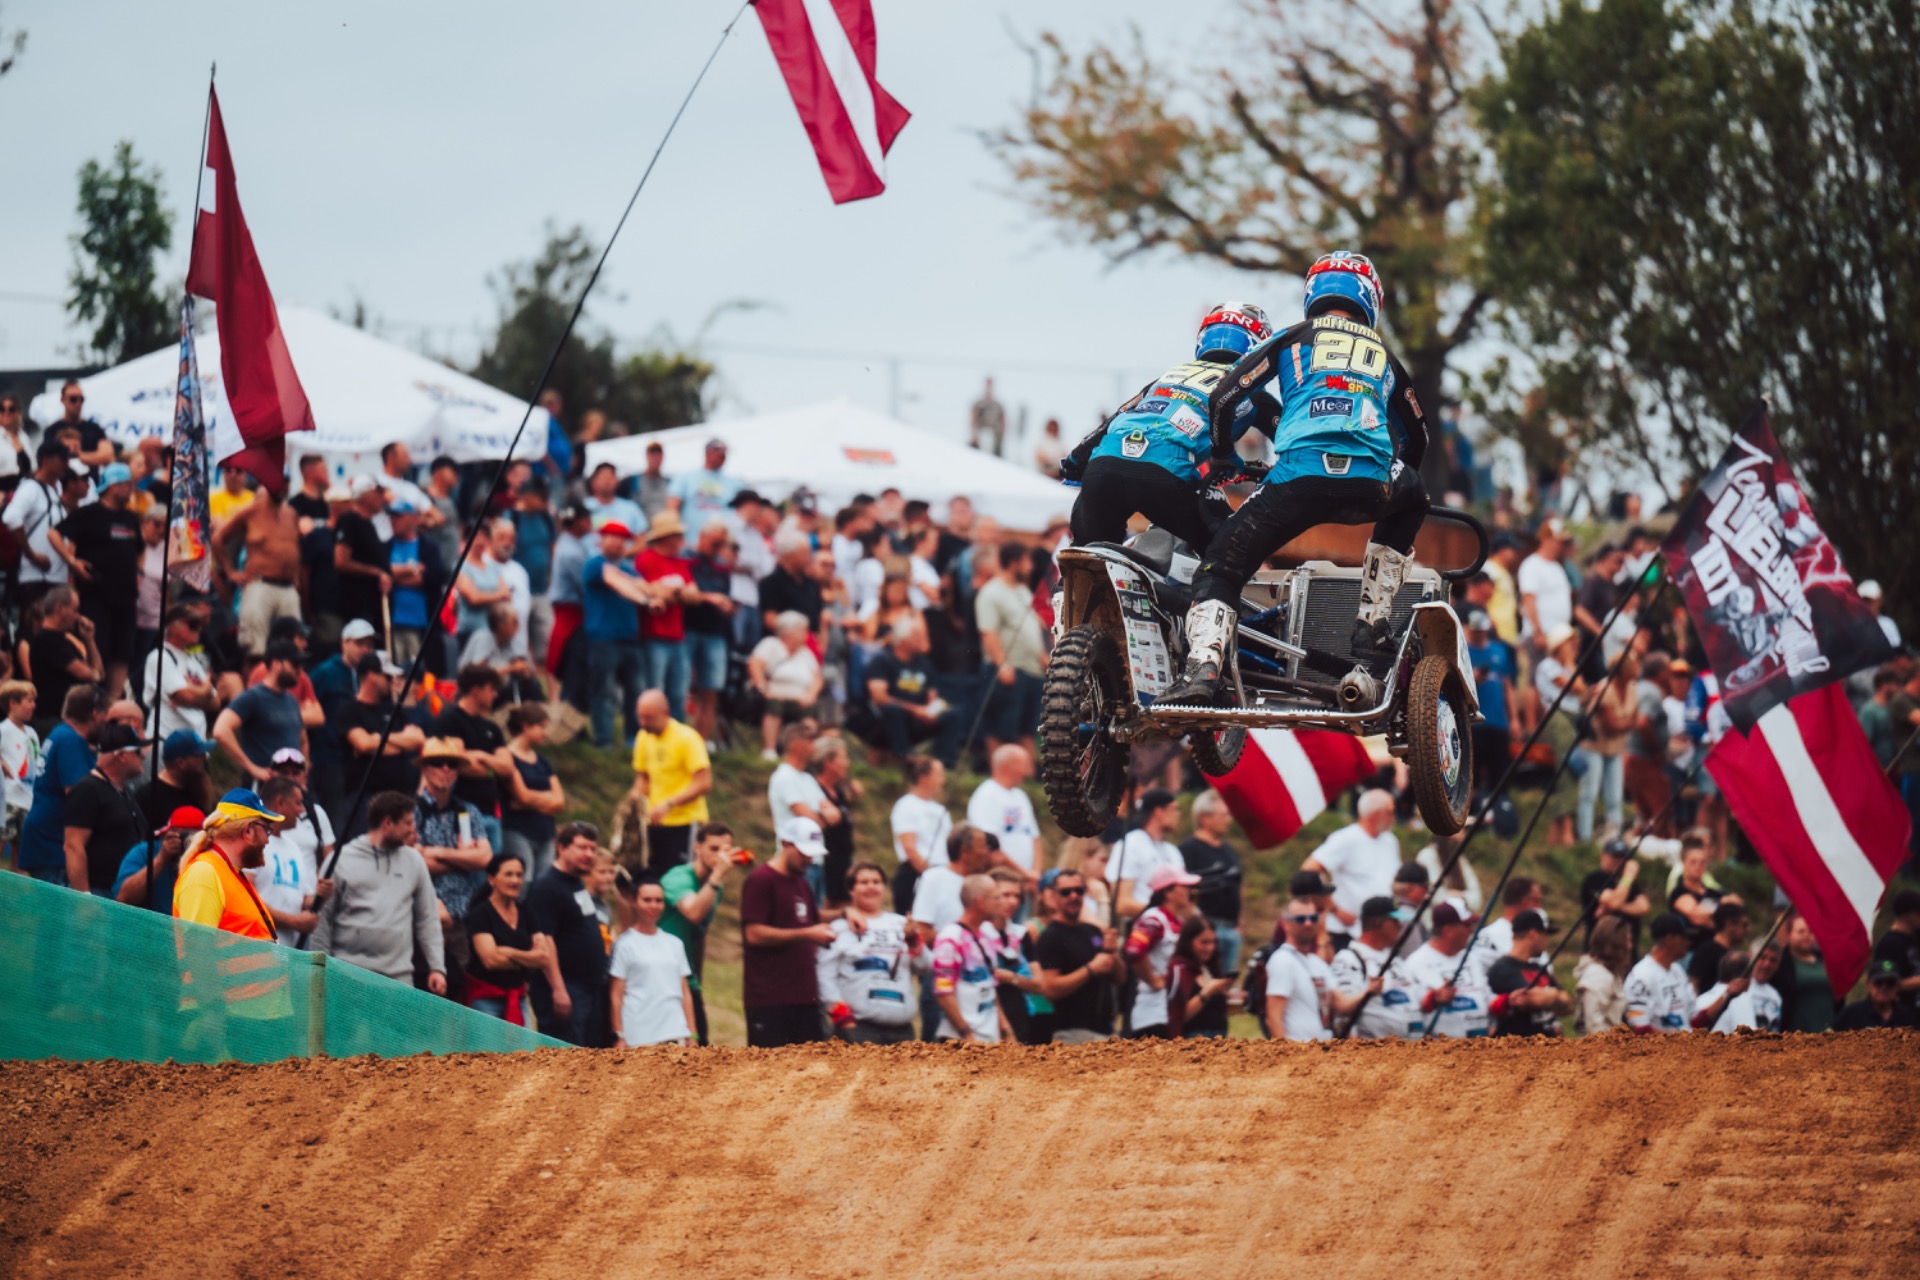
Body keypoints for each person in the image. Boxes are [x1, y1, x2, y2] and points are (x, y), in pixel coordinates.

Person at [1166, 254, 1430, 700]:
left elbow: (1225, 395)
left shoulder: (1293, 336)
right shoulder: (1385, 355)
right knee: (1416, 495)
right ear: (1371, 299)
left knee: (1220, 566)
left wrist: (1224, 454)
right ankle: (1372, 622)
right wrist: (1393, 479)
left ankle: (1202, 670)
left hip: (1296, 479)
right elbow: (1418, 436)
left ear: (1313, 292)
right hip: (1371, 482)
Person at [1058, 303, 1272, 550]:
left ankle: (1081, 567)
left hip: (1103, 465)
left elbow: (1112, 420)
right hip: (1166, 472)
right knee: (1232, 549)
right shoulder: (1252, 389)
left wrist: (1073, 463)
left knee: (1090, 551)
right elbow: (1293, 444)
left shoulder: (1166, 377)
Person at [312, 790, 445, 989]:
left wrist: (437, 967)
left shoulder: (415, 861)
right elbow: (320, 919)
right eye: (408, 823)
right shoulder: (340, 860)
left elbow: (428, 918)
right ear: (388, 823)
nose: (413, 830)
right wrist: (319, 969)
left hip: (398, 981)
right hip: (347, 977)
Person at [48, 460, 142, 697]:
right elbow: (54, 533)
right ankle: (94, 700)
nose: (131, 488)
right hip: (96, 596)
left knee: (123, 653)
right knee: (98, 648)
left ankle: (113, 703)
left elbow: (140, 549)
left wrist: (139, 572)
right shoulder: (88, 514)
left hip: (126, 597)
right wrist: (72, 562)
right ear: (113, 486)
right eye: (127, 483)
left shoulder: (131, 518)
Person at [740, 817, 835, 1047]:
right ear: (785, 844)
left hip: (805, 996)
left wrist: (844, 915)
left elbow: (810, 918)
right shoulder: (761, 880)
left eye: (812, 854)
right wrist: (807, 934)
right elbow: (754, 934)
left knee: (811, 1064)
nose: (808, 860)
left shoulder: (801, 882)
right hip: (770, 999)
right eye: (803, 853)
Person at [413, 736, 494, 1001]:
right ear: (426, 769)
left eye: (452, 764)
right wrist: (462, 857)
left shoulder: (467, 811)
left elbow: (484, 858)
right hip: (423, 916)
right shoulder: (412, 810)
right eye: (438, 762)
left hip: (461, 917)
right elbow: (413, 862)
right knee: (422, 990)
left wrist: (436, 852)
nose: (446, 769)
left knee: (458, 991)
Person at [524, 822, 612, 1046]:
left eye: (593, 849)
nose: (589, 854)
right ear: (561, 848)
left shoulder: (575, 882)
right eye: (582, 847)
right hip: (565, 989)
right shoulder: (547, 885)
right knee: (565, 1057)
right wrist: (559, 990)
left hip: (588, 990)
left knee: (588, 1057)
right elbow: (545, 940)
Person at [817, 860, 924, 1044]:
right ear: (851, 890)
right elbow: (824, 974)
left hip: (902, 1028)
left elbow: (925, 966)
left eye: (876, 882)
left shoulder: (902, 924)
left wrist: (913, 940)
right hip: (859, 1027)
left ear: (884, 887)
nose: (871, 887)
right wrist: (841, 1016)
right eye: (864, 882)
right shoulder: (839, 928)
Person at [172, 789, 287, 950]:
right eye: (267, 829)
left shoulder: (231, 873)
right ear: (248, 830)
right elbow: (197, 957)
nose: (267, 841)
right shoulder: (204, 873)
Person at [661, 824, 740, 1046]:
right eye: (714, 849)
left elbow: (700, 932)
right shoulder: (678, 877)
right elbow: (694, 913)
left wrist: (697, 976)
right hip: (662, 976)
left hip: (688, 978)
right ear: (697, 847)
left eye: (726, 850)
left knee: (700, 1047)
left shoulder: (715, 887)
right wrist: (716, 877)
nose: (720, 856)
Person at [16, 684, 103, 886]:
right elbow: (78, 794)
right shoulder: (71, 740)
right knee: (55, 906)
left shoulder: (61, 733)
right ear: (94, 714)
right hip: (52, 842)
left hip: (44, 835)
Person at [212, 480, 304, 660]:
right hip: (260, 584)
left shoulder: (291, 514)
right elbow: (217, 539)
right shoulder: (251, 512)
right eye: (279, 482)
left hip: (287, 587)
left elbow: (294, 546)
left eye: (286, 482)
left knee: (292, 648)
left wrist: (295, 573)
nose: (282, 486)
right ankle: (254, 677)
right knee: (254, 648)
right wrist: (231, 572)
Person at [1300, 789, 1401, 947]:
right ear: (1375, 814)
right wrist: (1334, 909)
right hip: (1346, 932)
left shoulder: (1390, 841)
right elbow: (1309, 869)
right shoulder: (1347, 838)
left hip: (1379, 933)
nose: (1394, 818)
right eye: (1390, 812)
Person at [60, 720, 149, 896]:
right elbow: (73, 846)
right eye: (138, 752)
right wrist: (84, 897)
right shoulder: (87, 790)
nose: (143, 757)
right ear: (121, 755)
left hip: (120, 893)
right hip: (99, 892)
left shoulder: (124, 790)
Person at [629, 688, 711, 878]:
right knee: (653, 879)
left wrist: (670, 803)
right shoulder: (643, 736)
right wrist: (635, 797)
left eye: (648, 718)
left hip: (684, 822)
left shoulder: (687, 738)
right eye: (640, 717)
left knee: (678, 880)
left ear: (665, 713)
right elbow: (643, 777)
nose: (643, 723)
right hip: (654, 822)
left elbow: (704, 783)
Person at [609, 875, 697, 1047]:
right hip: (639, 1037)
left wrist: (692, 1033)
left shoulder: (675, 944)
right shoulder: (624, 944)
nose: (653, 906)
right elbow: (616, 994)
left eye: (658, 900)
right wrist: (619, 1035)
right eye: (647, 900)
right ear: (634, 902)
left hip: (676, 1033)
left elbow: (685, 992)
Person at [431, 664, 513, 848]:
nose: (495, 694)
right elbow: (461, 764)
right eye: (492, 689)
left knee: (494, 864)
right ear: (476, 690)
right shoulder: (451, 719)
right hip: (462, 810)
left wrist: (481, 756)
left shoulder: (491, 728)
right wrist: (493, 769)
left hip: (490, 812)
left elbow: (508, 768)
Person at [975, 543, 1047, 753]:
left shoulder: (1023, 590)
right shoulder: (991, 593)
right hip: (1010, 671)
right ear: (1014, 563)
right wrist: (1002, 665)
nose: (1031, 567)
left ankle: (1025, 771)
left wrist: (1042, 655)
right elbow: (988, 632)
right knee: (1001, 729)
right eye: (1027, 561)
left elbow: (1031, 627)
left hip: (1032, 670)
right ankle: (999, 768)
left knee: (1027, 729)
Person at [1034, 869, 1119, 1043]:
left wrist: (1112, 953)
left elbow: (1120, 978)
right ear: (1054, 896)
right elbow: (1050, 989)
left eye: (1079, 891)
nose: (1073, 896)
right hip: (1072, 1032)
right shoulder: (1051, 936)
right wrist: (1091, 969)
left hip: (1106, 1030)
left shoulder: (1093, 931)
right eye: (1066, 892)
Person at [245, 775, 332, 940]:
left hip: (287, 951)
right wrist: (294, 922)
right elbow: (246, 898)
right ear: (280, 803)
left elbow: (304, 899)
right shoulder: (252, 841)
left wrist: (321, 895)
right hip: (256, 947)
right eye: (298, 803)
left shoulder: (293, 847)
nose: (302, 810)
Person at [463, 852, 546, 1023]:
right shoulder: (480, 914)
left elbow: (543, 957)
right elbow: (491, 960)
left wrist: (509, 952)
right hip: (486, 999)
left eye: (519, 875)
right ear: (491, 879)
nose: (515, 880)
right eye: (509, 874)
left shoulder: (527, 913)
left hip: (518, 998)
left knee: (526, 1042)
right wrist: (526, 960)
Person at [634, 512, 699, 724]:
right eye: (678, 535)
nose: (682, 540)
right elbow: (649, 592)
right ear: (666, 537)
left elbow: (694, 596)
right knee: (655, 690)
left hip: (677, 636)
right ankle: (651, 731)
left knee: (678, 693)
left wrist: (670, 593)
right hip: (653, 634)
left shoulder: (681, 563)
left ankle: (675, 733)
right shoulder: (646, 559)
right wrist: (678, 593)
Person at [1123, 864, 1202, 1038]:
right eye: (1184, 886)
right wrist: (1152, 980)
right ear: (1168, 892)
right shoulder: (1154, 918)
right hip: (1153, 1014)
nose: (1190, 891)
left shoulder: (1176, 920)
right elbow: (1133, 951)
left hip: (1172, 1011)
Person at [931, 873, 1012, 1043]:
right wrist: (966, 1033)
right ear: (980, 902)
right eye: (996, 898)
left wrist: (1006, 1030)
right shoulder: (951, 937)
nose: (1000, 903)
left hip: (989, 1036)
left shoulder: (988, 934)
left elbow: (990, 986)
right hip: (962, 1038)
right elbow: (943, 991)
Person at [212, 641, 307, 783]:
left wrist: (303, 774)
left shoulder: (292, 701)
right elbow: (220, 730)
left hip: (290, 785)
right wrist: (252, 768)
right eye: (295, 664)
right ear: (276, 664)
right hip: (264, 785)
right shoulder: (253, 697)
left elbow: (303, 741)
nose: (299, 670)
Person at [1328, 897, 1421, 1040]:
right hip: (1376, 1049)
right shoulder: (1348, 959)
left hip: (1413, 1048)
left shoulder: (1395, 959)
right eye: (1395, 921)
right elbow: (1342, 1013)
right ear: (1378, 922)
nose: (1400, 926)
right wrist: (1368, 992)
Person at [864, 617, 953, 764]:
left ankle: (944, 762)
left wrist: (932, 708)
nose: (922, 639)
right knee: (894, 711)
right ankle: (905, 759)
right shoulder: (882, 661)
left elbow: (932, 692)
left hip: (921, 718)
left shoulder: (924, 663)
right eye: (917, 635)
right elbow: (879, 698)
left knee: (953, 715)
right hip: (891, 720)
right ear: (903, 639)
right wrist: (915, 710)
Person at [4, 442, 75, 615]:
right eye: (63, 459)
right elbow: (11, 517)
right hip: (36, 578)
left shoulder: (55, 489)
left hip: (55, 578)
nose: (67, 464)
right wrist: (32, 555)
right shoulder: (31, 488)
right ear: (46, 461)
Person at [1403, 900, 1491, 1038]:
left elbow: (1486, 996)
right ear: (1448, 930)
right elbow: (1408, 1009)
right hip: (1440, 1047)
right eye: (1466, 925)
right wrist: (1433, 998)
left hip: (1480, 1045)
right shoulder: (1415, 963)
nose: (1471, 930)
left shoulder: (1471, 958)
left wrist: (1509, 1001)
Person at [500, 705, 564, 889]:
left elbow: (559, 802)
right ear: (526, 726)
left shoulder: (543, 761)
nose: (545, 733)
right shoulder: (507, 757)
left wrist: (529, 801)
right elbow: (523, 797)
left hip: (545, 833)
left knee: (545, 885)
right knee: (522, 884)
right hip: (517, 831)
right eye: (542, 727)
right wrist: (547, 798)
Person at [25, 588, 102, 738]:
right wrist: (94, 674)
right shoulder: (45, 640)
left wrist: (89, 640)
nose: (78, 616)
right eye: (75, 610)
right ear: (60, 608)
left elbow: (99, 673)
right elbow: (88, 674)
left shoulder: (65, 640)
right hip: (53, 720)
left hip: (70, 719)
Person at [966, 744, 1043, 888]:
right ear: (1008, 766)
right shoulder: (986, 794)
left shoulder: (1021, 795)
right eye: (1024, 766)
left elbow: (1035, 837)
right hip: (999, 880)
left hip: (1026, 881)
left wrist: (1035, 873)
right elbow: (989, 844)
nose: (1028, 772)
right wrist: (1025, 874)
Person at [1486, 909, 1571, 1036]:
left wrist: (1549, 996)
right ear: (1533, 934)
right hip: (1521, 1045)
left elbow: (1568, 1004)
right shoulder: (1503, 969)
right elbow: (1531, 999)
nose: (1546, 941)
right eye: (1545, 935)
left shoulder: (1538, 967)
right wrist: (1556, 994)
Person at [749, 611, 823, 758]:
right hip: (774, 694)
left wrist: (810, 695)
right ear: (788, 631)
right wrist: (763, 688)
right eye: (801, 630)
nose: (806, 634)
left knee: (809, 713)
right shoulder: (770, 644)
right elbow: (755, 665)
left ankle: (807, 753)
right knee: (774, 705)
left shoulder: (806, 653)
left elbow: (818, 678)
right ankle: (769, 750)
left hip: (800, 698)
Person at [144, 606, 219, 743]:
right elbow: (185, 697)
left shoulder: (193, 660)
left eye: (200, 625)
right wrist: (205, 690)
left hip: (196, 742)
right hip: (165, 741)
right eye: (193, 625)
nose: (199, 629)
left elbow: (216, 703)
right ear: (173, 627)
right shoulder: (159, 657)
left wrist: (194, 693)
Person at [1263, 897, 1335, 1041]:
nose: (1308, 923)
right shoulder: (1283, 960)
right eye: (1300, 919)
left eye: (1313, 918)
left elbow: (1340, 1003)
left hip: (1323, 1049)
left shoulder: (1316, 962)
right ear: (1285, 924)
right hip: (1298, 1049)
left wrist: (1368, 991)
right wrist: (1288, 1052)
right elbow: (1273, 1018)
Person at [1108, 788, 1186, 920]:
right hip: (1141, 927)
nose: (1179, 814)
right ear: (1159, 812)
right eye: (1174, 809)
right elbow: (1121, 904)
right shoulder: (1131, 845)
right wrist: (1164, 913)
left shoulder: (1172, 851)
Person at [889, 755, 951, 919]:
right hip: (916, 874)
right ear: (923, 778)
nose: (943, 780)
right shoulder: (906, 805)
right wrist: (930, 876)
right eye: (939, 775)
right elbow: (910, 848)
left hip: (941, 872)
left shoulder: (940, 809)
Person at [332, 476, 392, 647]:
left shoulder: (370, 525)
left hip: (373, 605)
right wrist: (377, 573)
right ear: (365, 495)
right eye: (377, 492)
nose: (382, 497)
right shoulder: (350, 520)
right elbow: (341, 561)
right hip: (357, 605)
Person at [113, 804, 203, 911]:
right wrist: (161, 859)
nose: (185, 843)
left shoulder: (204, 860)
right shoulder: (146, 852)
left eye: (190, 838)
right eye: (179, 835)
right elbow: (122, 898)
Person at [1624, 912, 1695, 1033]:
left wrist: (1726, 993)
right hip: (1662, 1045)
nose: (1688, 943)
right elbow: (1639, 1027)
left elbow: (1695, 1018)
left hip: (1688, 1041)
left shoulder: (1678, 971)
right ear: (1670, 939)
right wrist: (1679, 1041)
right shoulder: (1641, 976)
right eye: (1684, 937)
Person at [1165, 915, 1234, 1039]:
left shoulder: (1208, 967)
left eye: (1213, 942)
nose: (1210, 948)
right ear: (1188, 941)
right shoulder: (1180, 969)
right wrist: (1207, 992)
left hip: (1218, 1038)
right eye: (1204, 942)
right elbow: (1178, 1015)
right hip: (1193, 1041)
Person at [1579, 838, 1652, 953]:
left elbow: (1643, 907)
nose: (1619, 861)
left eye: (1622, 857)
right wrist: (1628, 876)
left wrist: (1616, 906)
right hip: (1600, 950)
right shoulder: (1594, 879)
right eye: (1614, 856)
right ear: (1603, 856)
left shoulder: (1629, 884)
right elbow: (1614, 902)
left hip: (1627, 950)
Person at [1, 680, 42, 867]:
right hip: (7, 799)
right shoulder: (4, 730)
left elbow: (37, 761)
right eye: (29, 701)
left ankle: (16, 884)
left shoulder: (32, 733)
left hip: (27, 800)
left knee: (21, 853)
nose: (33, 706)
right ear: (13, 703)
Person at [1518, 517, 1574, 653]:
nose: (1561, 546)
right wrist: (1538, 632)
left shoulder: (1557, 567)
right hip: (1542, 636)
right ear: (1545, 539)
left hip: (1558, 637)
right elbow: (1529, 600)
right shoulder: (1532, 564)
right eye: (1558, 541)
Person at [1698, 943, 1782, 1032]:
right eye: (1762, 957)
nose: (1766, 964)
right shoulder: (1741, 996)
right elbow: (1749, 1035)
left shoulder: (1700, 999)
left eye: (1773, 960)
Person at [1774, 914, 1836, 1033]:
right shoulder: (1780, 964)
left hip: (1829, 1032)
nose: (1806, 935)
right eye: (1801, 931)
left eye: (1811, 931)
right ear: (1789, 935)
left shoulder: (1827, 961)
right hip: (1796, 1035)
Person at [1574, 914, 1634, 1034]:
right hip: (1600, 1044)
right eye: (1627, 940)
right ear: (1617, 944)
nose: (1630, 946)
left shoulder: (1611, 974)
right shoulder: (1598, 975)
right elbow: (1593, 1024)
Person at [666, 438, 743, 529]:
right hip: (692, 536)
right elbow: (672, 508)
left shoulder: (735, 483)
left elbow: (747, 510)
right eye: (719, 452)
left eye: (724, 453)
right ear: (707, 453)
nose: (722, 456)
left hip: (726, 536)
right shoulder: (685, 477)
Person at [1870, 889, 1920, 1014]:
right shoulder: (1891, 943)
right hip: (1901, 1013)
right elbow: (1885, 982)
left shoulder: (1914, 939)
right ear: (1906, 915)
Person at [1687, 900, 1750, 995]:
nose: (1747, 930)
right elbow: (1692, 985)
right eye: (1744, 925)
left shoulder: (1733, 953)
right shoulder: (1706, 951)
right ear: (1729, 925)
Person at [1833, 960, 1915, 1031]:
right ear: (1868, 984)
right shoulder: (1851, 1014)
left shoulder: (1906, 1016)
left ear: (1897, 986)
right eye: (1878, 982)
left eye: (1890, 983)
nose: (1884, 987)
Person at [584, 462, 645, 534]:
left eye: (610, 477)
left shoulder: (631, 508)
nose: (607, 481)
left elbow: (642, 535)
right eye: (603, 477)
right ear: (593, 482)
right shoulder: (583, 508)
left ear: (617, 481)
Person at [968, 378, 1007, 456]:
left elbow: (1002, 420)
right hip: (982, 432)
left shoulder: (997, 405)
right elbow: (973, 418)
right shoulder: (979, 403)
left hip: (994, 433)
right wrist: (973, 434)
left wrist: (1001, 435)